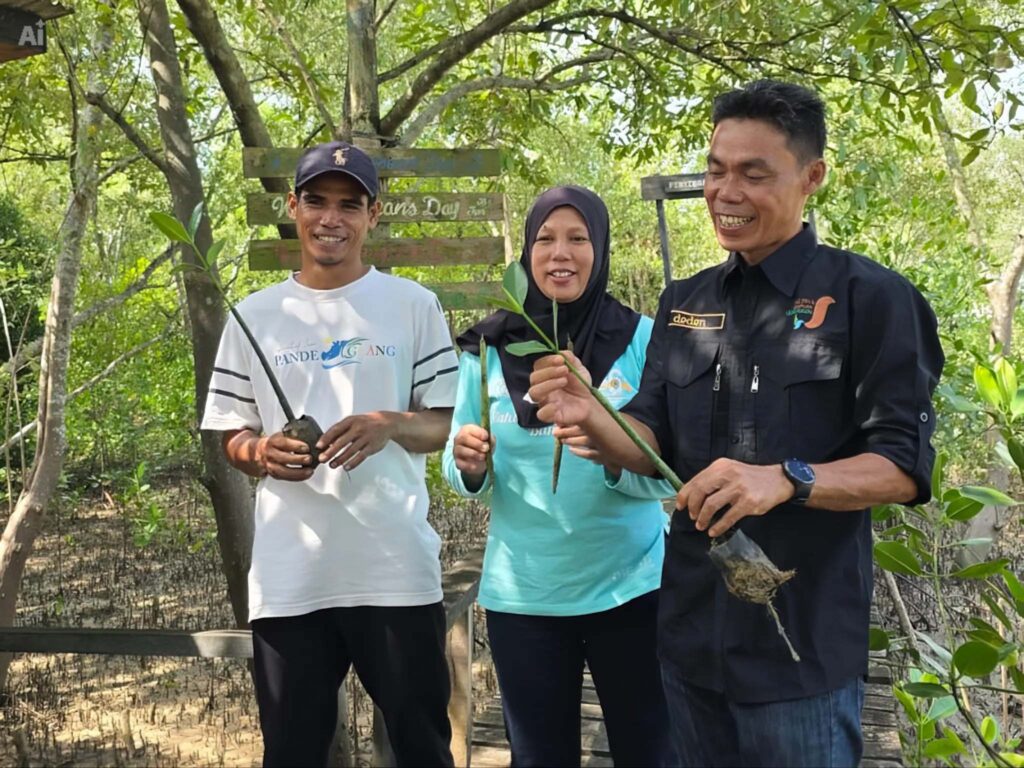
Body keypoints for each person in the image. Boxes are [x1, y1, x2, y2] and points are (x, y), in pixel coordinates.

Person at [528, 81, 944, 767]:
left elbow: (902, 466)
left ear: (812, 178)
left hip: (799, 652)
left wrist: (786, 479)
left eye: (755, 174)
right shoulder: (684, 302)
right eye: (717, 170)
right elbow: (650, 439)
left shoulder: (871, 299)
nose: (727, 192)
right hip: (690, 638)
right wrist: (594, 417)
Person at [201, 140, 457, 767]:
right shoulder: (253, 315)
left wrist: (389, 423)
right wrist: (262, 451)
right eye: (316, 200)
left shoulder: (413, 305)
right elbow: (231, 432)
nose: (330, 218)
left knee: (422, 745)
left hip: (394, 568)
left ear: (374, 214)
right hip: (293, 577)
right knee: (292, 751)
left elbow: (445, 424)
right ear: (293, 206)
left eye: (350, 204)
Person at [443, 185, 675, 767]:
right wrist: (467, 463)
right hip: (525, 598)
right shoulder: (486, 349)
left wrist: (608, 444)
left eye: (578, 238)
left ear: (601, 250)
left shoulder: (643, 339)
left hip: (634, 588)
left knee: (651, 751)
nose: (559, 253)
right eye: (544, 239)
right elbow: (456, 458)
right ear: (526, 254)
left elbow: (669, 473)